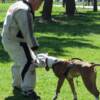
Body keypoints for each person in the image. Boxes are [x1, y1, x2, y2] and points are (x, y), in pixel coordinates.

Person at [1, 0, 43, 99]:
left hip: (8, 38)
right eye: (40, 2)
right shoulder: (24, 10)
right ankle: (28, 90)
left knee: (19, 62)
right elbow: (28, 32)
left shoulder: (18, 4)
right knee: (30, 62)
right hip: (16, 41)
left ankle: (17, 85)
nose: (40, 5)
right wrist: (35, 47)